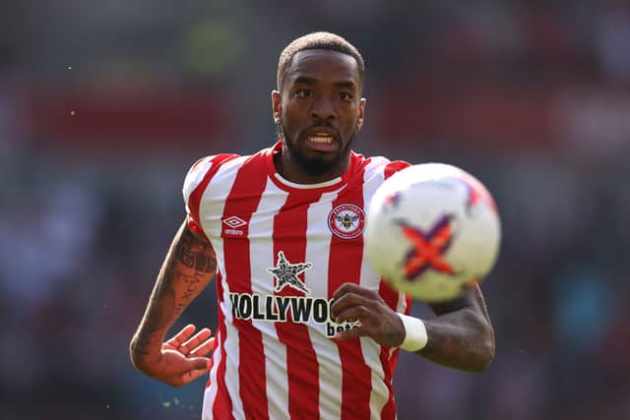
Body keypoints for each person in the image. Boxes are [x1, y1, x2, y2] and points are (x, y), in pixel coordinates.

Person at [130, 31, 495, 420]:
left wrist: (401, 328)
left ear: (360, 111)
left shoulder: (399, 201)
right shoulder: (219, 185)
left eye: (343, 96)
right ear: (277, 104)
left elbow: (477, 340)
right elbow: (199, 238)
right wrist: (147, 345)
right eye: (305, 93)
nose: (324, 110)